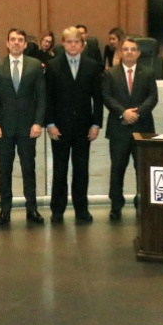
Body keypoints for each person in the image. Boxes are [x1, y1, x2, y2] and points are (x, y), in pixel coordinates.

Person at [0, 29, 47, 226]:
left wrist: (38, 122)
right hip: (3, 127)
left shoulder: (35, 65)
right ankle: (5, 210)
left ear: (25, 44)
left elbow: (42, 97)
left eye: (20, 40)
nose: (16, 43)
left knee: (28, 169)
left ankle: (32, 209)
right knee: (4, 170)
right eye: (12, 39)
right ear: (7, 43)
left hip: (28, 127)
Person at [45, 27, 104, 224]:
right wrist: (50, 124)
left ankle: (81, 210)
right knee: (59, 170)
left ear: (82, 44)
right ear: (63, 43)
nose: (72, 45)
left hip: (83, 127)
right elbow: (48, 98)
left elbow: (98, 98)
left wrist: (96, 124)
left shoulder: (92, 66)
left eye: (76, 42)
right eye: (69, 42)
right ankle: (57, 210)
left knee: (81, 170)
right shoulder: (53, 66)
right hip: (59, 127)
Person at [101, 37, 158, 220]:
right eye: (126, 49)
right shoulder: (110, 73)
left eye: (133, 49)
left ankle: (142, 203)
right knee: (117, 169)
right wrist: (123, 113)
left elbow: (153, 97)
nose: (130, 52)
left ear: (139, 53)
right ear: (120, 52)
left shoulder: (148, 72)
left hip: (143, 128)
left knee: (143, 169)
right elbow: (107, 97)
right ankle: (116, 205)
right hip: (119, 128)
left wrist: (137, 113)